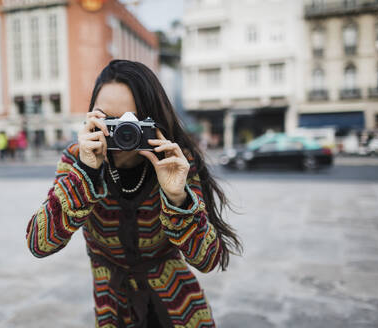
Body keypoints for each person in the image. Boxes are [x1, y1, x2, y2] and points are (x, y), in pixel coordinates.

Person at [25, 60, 242, 328]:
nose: (121, 133)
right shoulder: (76, 159)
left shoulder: (175, 162)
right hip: (113, 311)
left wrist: (178, 198)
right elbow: (39, 243)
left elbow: (209, 260)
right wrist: (85, 173)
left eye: (131, 122)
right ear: (91, 116)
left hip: (180, 310)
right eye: (108, 119)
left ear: (151, 120)